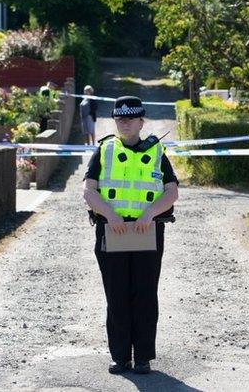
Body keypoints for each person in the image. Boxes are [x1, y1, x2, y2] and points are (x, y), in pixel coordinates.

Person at [82, 96, 179, 375]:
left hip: (147, 231)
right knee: (117, 295)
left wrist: (149, 213)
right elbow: (89, 190)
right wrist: (110, 216)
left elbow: (172, 191)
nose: (124, 124)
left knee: (145, 294)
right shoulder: (104, 150)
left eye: (130, 119)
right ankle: (121, 356)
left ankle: (143, 357)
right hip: (113, 231)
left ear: (141, 121)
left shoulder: (157, 151)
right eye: (119, 119)